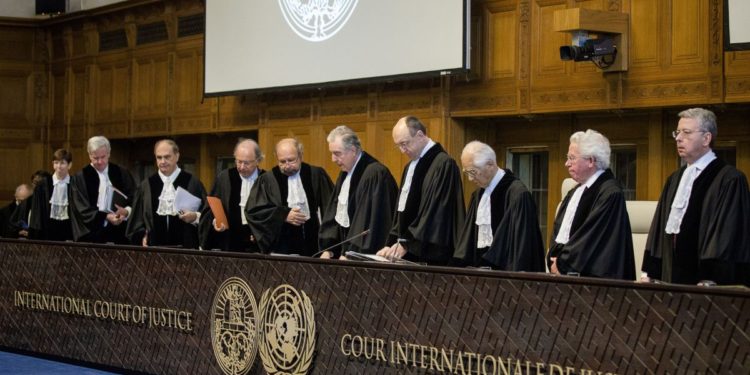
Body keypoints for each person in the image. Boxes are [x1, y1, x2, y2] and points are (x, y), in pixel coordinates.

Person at [642, 108, 750, 286]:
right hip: (671, 280)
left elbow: (728, 234)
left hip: (707, 285)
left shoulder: (729, 179)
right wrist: (652, 272)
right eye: (677, 132)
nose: (678, 138)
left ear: (706, 138)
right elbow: (660, 229)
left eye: (686, 132)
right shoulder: (675, 179)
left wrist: (711, 276)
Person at [377, 116, 465, 265]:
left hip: (430, 254)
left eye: (404, 144)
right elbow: (402, 210)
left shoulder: (443, 164)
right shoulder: (410, 167)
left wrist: (408, 243)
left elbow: (436, 212)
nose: (402, 150)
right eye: (398, 145)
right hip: (407, 251)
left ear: (419, 135)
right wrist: (390, 243)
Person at [548, 129, 635, 280]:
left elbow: (592, 239)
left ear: (591, 161)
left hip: (595, 285)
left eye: (572, 158)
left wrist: (563, 263)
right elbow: (559, 232)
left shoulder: (610, 194)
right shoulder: (574, 192)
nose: (566, 163)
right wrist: (554, 257)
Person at [453, 141, 545, 271]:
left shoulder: (517, 195)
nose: (470, 179)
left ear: (490, 164)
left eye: (473, 172)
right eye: (467, 173)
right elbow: (468, 244)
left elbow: (522, 249)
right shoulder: (478, 196)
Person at [318, 126, 398, 258]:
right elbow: (335, 214)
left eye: (337, 153)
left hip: (365, 256)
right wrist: (329, 249)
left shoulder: (375, 173)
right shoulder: (345, 173)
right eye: (331, 153)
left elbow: (369, 222)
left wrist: (350, 253)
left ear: (353, 150)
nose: (333, 159)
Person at [247, 138, 333, 256]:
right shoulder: (267, 180)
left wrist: (328, 246)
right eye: (282, 161)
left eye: (291, 160)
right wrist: (283, 215)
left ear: (300, 155)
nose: (287, 165)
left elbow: (331, 209)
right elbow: (254, 211)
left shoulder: (316, 174)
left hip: (313, 244)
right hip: (281, 247)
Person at [127, 139, 207, 249]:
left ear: (177, 156)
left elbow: (207, 216)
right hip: (154, 252)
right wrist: (142, 235)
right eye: (159, 157)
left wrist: (195, 217)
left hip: (187, 251)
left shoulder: (192, 182)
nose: (162, 161)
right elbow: (136, 222)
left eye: (167, 157)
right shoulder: (146, 186)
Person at [199, 138, 265, 252]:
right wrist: (216, 222)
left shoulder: (266, 180)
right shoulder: (225, 177)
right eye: (239, 161)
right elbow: (209, 209)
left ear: (258, 161)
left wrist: (261, 234)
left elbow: (273, 214)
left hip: (259, 246)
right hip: (230, 243)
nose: (242, 167)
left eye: (247, 163)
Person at [70, 136, 136, 244]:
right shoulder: (80, 178)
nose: (100, 161)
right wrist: (105, 216)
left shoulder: (121, 172)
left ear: (109, 153)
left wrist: (126, 211)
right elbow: (81, 208)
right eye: (95, 158)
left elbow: (134, 198)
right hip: (92, 236)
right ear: (89, 155)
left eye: (103, 157)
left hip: (120, 234)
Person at [24, 149, 75, 241]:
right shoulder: (43, 185)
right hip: (47, 229)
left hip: (69, 229)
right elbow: (37, 213)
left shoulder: (75, 184)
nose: (59, 166)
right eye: (56, 163)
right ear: (53, 164)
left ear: (69, 165)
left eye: (62, 163)